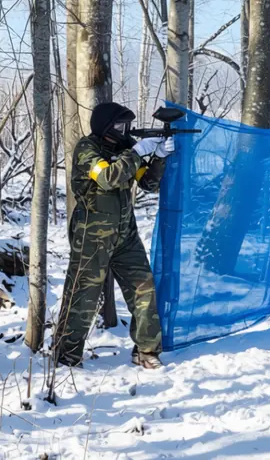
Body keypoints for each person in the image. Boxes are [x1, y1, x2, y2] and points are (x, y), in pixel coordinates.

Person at [55, 102, 174, 369]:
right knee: (83, 295)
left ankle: (146, 350)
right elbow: (108, 177)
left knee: (144, 288)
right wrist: (137, 152)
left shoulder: (125, 148)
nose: (124, 130)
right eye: (120, 125)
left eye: (126, 125)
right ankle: (67, 356)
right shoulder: (88, 149)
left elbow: (148, 183)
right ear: (105, 125)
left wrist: (159, 157)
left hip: (125, 234)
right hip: (92, 237)